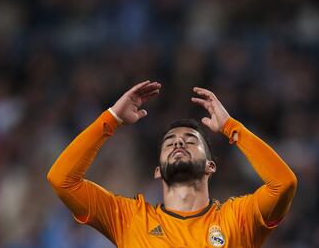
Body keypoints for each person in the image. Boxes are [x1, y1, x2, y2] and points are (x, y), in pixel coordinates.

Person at [47, 80, 297, 247]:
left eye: (190, 141)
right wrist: (111, 118)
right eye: (170, 143)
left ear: (211, 166)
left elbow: (283, 184)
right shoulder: (128, 219)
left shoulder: (238, 218)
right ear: (158, 171)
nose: (179, 144)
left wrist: (232, 128)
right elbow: (62, 180)